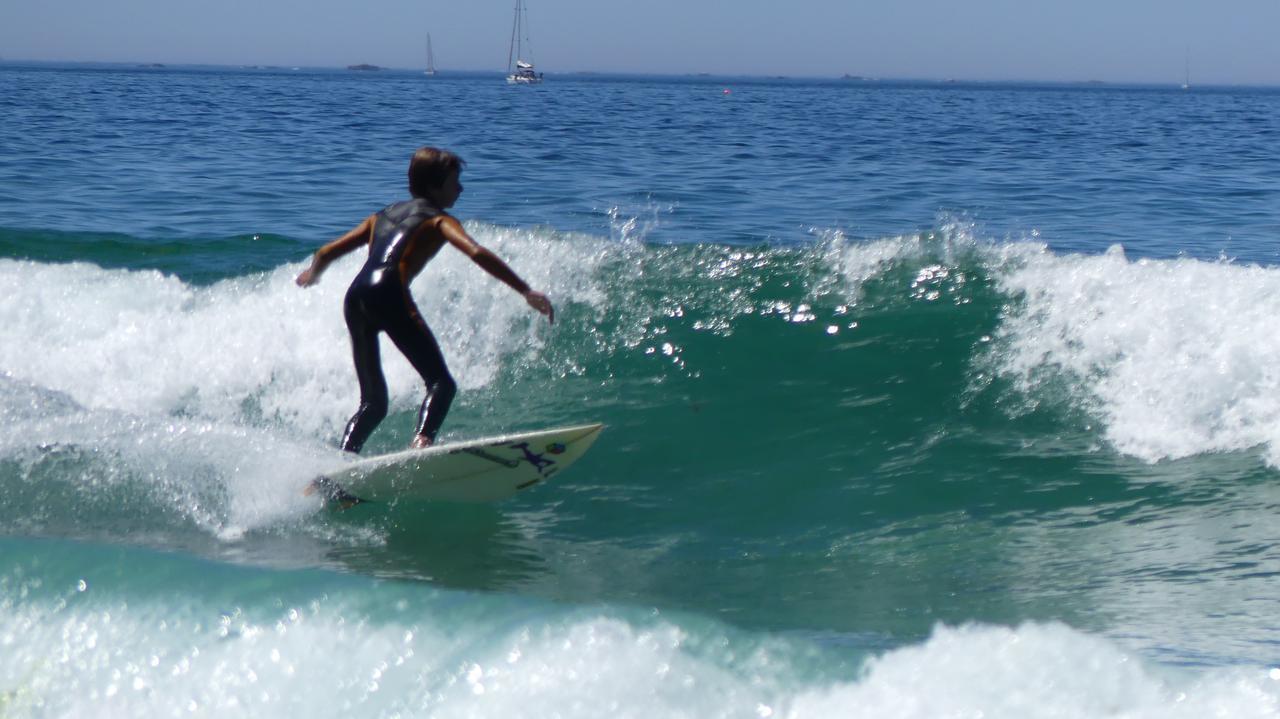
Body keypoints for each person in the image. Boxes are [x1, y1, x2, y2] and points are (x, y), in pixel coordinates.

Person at [296, 147, 554, 455]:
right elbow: (476, 252)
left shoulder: (383, 215)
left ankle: (339, 464)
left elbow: (325, 252)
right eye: (454, 182)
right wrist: (525, 290)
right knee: (441, 384)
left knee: (373, 404)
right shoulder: (439, 220)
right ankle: (422, 443)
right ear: (435, 186)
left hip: (356, 297)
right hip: (388, 293)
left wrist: (313, 274)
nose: (460, 188)